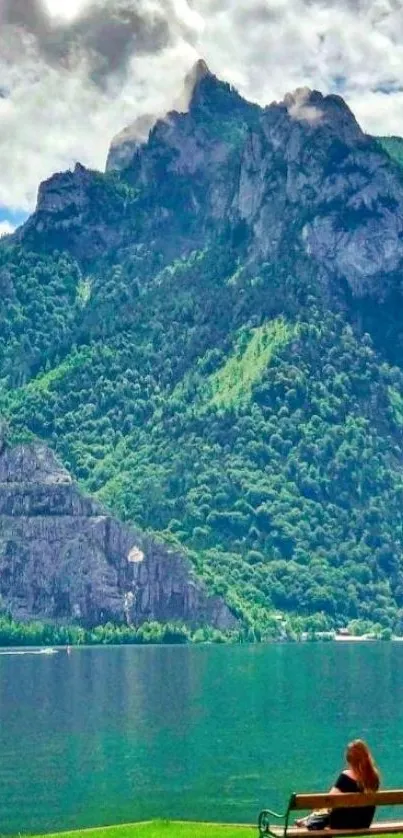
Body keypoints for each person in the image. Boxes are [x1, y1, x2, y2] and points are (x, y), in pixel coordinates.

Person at [295, 739, 380, 830]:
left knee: (325, 811)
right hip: (364, 823)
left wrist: (317, 808)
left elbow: (328, 800)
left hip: (341, 823)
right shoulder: (374, 778)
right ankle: (308, 820)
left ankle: (308, 820)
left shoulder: (346, 777)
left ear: (349, 759)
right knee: (327, 811)